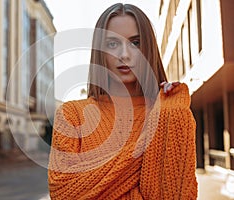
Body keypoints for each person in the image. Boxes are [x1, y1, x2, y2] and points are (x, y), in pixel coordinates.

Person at [48, 3, 197, 199]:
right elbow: (63, 192)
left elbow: (172, 196)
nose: (124, 54)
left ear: (148, 48)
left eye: (135, 43)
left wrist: (169, 112)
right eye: (112, 44)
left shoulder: (168, 113)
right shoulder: (71, 115)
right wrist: (148, 151)